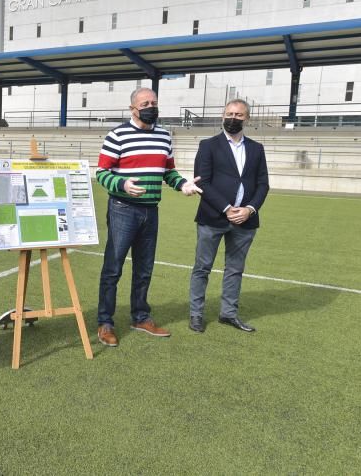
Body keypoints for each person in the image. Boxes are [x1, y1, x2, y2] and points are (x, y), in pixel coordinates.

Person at [95, 87, 202, 346]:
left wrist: (183, 184)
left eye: (154, 102)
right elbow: (101, 172)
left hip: (150, 211)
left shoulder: (164, 136)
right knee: (113, 268)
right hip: (122, 209)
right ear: (133, 108)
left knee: (144, 269)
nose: (151, 106)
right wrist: (122, 184)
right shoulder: (117, 135)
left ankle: (141, 317)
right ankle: (105, 322)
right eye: (145, 103)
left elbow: (169, 172)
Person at [188, 99, 269, 333]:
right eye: (230, 113)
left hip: (246, 220)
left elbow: (263, 184)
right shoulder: (208, 145)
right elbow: (203, 181)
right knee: (202, 268)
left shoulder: (256, 148)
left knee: (235, 269)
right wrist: (227, 208)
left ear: (247, 119)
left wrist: (249, 209)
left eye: (239, 115)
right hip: (213, 218)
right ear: (223, 116)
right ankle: (196, 314)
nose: (234, 118)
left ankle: (228, 314)